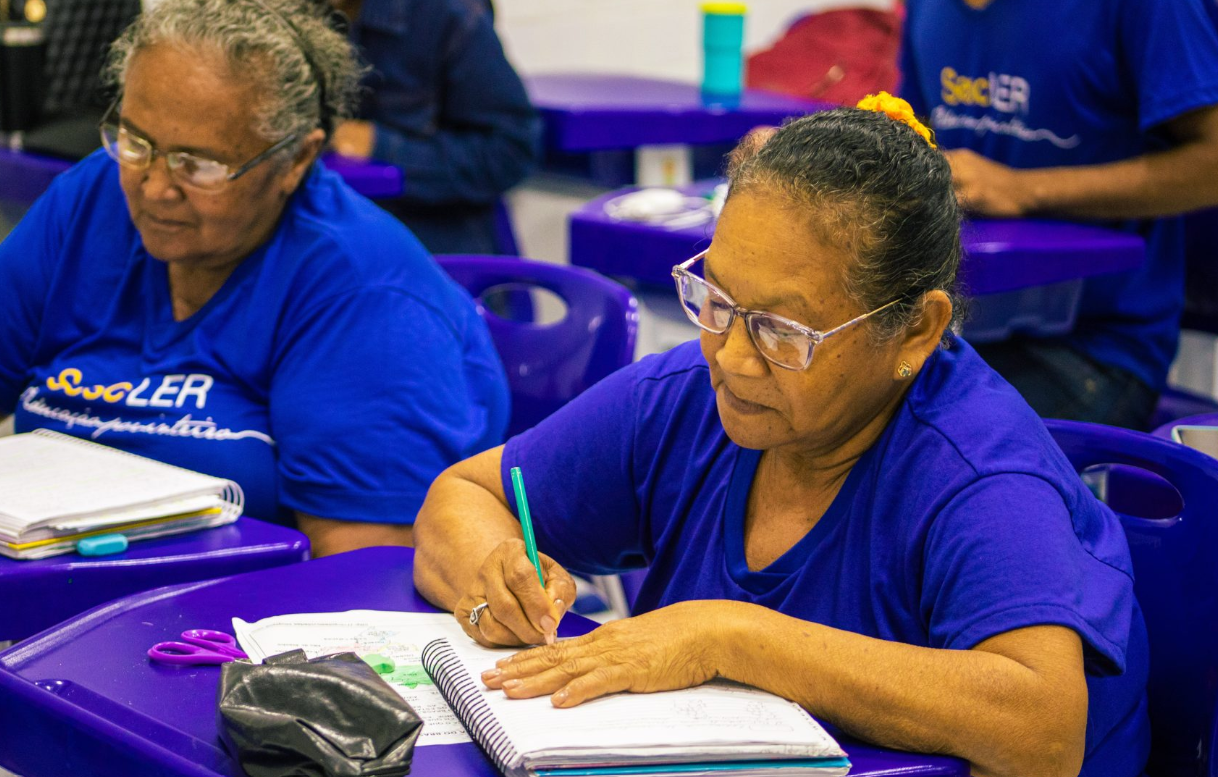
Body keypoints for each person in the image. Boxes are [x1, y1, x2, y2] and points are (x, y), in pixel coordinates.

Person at [413, 100, 1149, 777]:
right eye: (716, 298)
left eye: (781, 330)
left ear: (917, 329)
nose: (730, 354)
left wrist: (736, 638)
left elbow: (1044, 728)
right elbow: (466, 493)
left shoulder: (980, 473)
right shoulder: (695, 398)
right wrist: (495, 578)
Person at [0, 0, 509, 558]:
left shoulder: (360, 292)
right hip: (52, 598)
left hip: (229, 634)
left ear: (295, 158)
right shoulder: (92, 200)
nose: (155, 186)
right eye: (135, 142)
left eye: (199, 163)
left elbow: (360, 575)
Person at [900, 0, 1218, 430]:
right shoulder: (926, 9)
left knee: (919, 445)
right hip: (959, 324)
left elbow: (1211, 164)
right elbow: (916, 143)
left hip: (1094, 346)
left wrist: (1023, 190)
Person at [327, 0, 540, 254]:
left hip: (430, 242)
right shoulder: (286, 15)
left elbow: (512, 151)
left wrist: (380, 146)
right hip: (324, 236)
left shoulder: (451, 13)